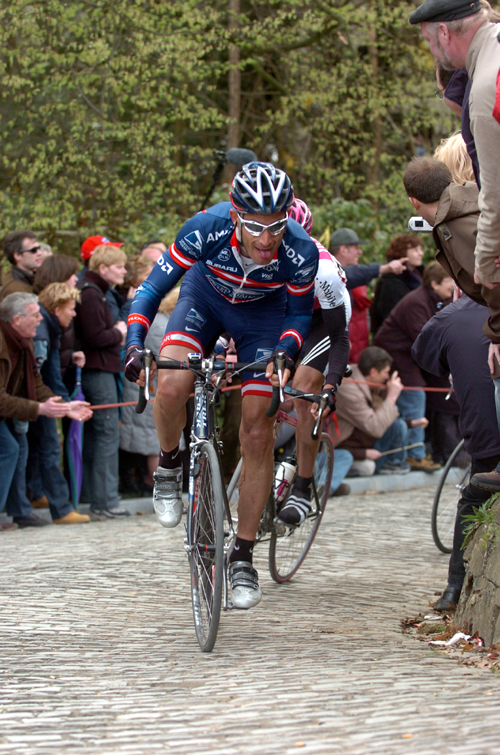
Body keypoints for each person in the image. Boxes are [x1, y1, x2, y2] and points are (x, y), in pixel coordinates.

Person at [125, 162, 318, 609]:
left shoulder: (301, 250)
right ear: (234, 215)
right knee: (172, 383)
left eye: (276, 225)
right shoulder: (204, 228)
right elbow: (151, 290)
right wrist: (135, 343)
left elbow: (299, 316)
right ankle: (170, 467)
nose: (267, 238)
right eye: (255, 226)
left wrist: (286, 353)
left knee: (257, 430)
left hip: (263, 321)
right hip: (205, 301)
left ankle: (243, 557)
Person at [412, 295, 500, 610]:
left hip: (485, 436)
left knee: (473, 497)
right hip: (487, 435)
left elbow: (422, 354)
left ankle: (453, 587)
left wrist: (455, 359)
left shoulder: (453, 314)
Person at [410, 1, 500, 294]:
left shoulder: (486, 85)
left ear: (445, 33)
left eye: (429, 42)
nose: (433, 53)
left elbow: (495, 191)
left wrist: (484, 263)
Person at [275, 198, 351, 524]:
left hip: (324, 321)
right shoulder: (256, 253)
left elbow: (340, 338)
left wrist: (331, 384)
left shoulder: (323, 269)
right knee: (260, 384)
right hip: (283, 316)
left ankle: (303, 488)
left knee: (303, 391)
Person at [0, 293, 74, 528]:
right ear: (17, 319)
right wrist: (40, 408)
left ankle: (19, 510)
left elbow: (35, 381)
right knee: (10, 449)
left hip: (6, 413)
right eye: (35, 315)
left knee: (14, 448)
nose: (40, 320)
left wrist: (65, 406)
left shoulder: (24, 342)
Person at [373, 262, 454, 472]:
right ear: (434, 283)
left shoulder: (436, 300)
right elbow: (423, 337)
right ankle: (414, 454)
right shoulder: (417, 303)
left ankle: (411, 452)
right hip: (396, 355)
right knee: (415, 396)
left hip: (409, 355)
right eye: (449, 281)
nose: (453, 285)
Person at [75, 245, 129, 518]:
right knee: (107, 433)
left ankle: (101, 498)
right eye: (119, 266)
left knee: (102, 435)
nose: (124, 271)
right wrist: (119, 333)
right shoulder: (92, 294)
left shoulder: (96, 292)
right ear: (104, 268)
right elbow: (95, 336)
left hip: (102, 369)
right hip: (99, 370)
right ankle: (105, 501)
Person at [31, 283, 92, 524]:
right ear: (57, 310)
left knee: (30, 449)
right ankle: (61, 508)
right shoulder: (43, 332)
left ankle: (35, 497)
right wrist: (63, 405)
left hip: (43, 396)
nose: (74, 314)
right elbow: (42, 373)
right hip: (39, 398)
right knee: (49, 447)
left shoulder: (50, 327)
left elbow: (52, 370)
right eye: (71, 309)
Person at [330, 228, 407, 362]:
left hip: (357, 356)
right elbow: (347, 275)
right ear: (344, 249)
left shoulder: (357, 278)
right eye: (356, 248)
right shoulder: (330, 274)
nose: (360, 252)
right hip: (338, 358)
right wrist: (382, 269)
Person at [334, 347, 411, 476]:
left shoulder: (367, 381)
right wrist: (392, 396)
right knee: (367, 467)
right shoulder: (349, 387)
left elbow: (385, 416)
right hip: (348, 446)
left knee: (398, 425)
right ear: (374, 372)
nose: (387, 377)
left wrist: (413, 422)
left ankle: (393, 463)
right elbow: (374, 426)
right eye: (386, 372)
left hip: (365, 442)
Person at [370, 235, 424, 336]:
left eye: (420, 249)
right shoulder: (391, 283)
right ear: (403, 254)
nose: (421, 253)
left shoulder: (421, 277)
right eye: (415, 250)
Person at [0, 231, 43, 302]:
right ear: (18, 256)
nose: (39, 253)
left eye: (39, 248)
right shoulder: (14, 290)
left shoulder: (35, 278)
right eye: (33, 250)